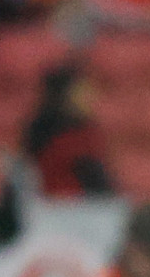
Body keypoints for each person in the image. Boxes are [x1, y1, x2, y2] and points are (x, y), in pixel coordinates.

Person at [20, 62, 110, 198]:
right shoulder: (76, 140)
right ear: (64, 95)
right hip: (65, 208)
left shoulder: (86, 132)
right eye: (82, 92)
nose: (90, 98)